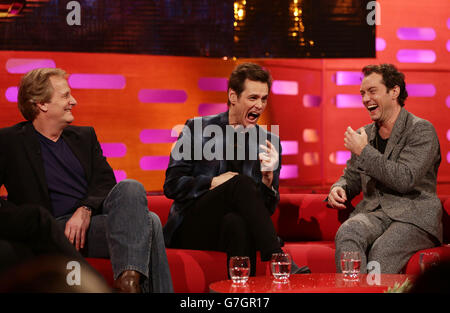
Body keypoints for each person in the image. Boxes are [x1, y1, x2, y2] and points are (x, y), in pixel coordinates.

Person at [0, 68, 173, 293]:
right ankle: (130, 286)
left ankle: (126, 283)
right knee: (149, 222)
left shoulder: (84, 136)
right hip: (55, 232)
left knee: (131, 187)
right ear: (41, 104)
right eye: (65, 96)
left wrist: (85, 209)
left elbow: (106, 184)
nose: (74, 101)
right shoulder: (10, 141)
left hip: (91, 225)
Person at [163, 62, 308, 275]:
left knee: (238, 223)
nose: (259, 105)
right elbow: (172, 185)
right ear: (233, 96)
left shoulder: (269, 142)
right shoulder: (197, 129)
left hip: (228, 229)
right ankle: (277, 257)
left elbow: (263, 211)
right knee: (239, 183)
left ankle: (242, 294)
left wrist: (268, 181)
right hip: (192, 225)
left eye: (264, 99)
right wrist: (213, 182)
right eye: (253, 98)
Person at [327, 64, 442, 274]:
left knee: (382, 252)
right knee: (348, 232)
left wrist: (364, 151)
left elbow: (405, 179)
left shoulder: (421, 130)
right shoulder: (365, 134)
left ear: (394, 92)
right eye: (362, 93)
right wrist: (339, 188)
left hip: (413, 216)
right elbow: (351, 177)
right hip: (374, 214)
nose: (365, 99)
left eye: (372, 91)